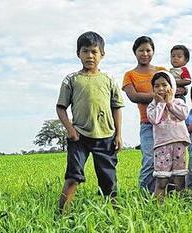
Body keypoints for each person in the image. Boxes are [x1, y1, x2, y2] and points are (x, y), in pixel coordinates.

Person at [56, 31, 124, 213]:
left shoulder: (108, 80)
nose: (90, 56)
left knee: (108, 180)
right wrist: (70, 129)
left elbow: (116, 107)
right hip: (79, 136)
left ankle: (116, 215)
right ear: (78, 53)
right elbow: (61, 107)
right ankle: (60, 215)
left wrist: (118, 134)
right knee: (73, 177)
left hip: (106, 136)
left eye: (94, 51)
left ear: (102, 54)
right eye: (85, 51)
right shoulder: (71, 79)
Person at [122, 36, 166, 194]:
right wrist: (158, 96)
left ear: (153, 51)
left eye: (148, 50)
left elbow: (173, 92)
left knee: (166, 161)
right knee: (149, 160)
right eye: (141, 50)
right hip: (147, 123)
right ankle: (144, 196)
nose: (145, 53)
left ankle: (163, 195)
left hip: (166, 123)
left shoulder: (162, 71)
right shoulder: (130, 75)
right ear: (135, 52)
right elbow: (134, 97)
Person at [147, 71, 190, 201]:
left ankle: (182, 206)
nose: (161, 89)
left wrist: (170, 103)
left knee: (179, 178)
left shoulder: (178, 102)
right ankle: (157, 207)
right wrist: (161, 104)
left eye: (164, 85)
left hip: (179, 144)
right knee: (162, 179)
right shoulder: (152, 106)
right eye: (156, 86)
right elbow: (154, 119)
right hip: (162, 146)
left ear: (172, 87)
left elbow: (183, 115)